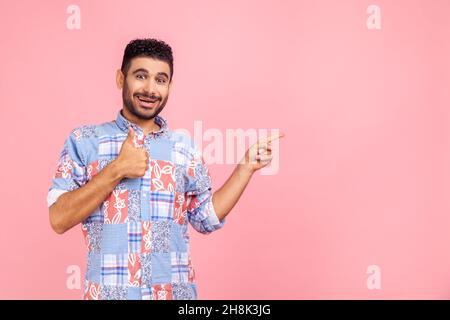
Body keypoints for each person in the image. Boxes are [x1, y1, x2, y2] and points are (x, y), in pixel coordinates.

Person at [47, 38, 284, 300]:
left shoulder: (184, 149)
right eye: (140, 76)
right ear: (120, 78)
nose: (150, 89)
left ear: (169, 86)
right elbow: (59, 218)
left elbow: (205, 218)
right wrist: (117, 169)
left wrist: (245, 167)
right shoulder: (84, 140)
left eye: (161, 79)